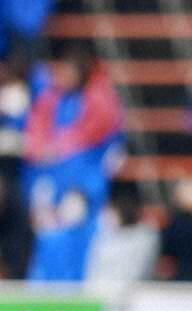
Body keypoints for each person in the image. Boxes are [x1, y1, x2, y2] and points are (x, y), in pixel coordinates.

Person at [22, 41, 123, 282]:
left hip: (82, 186)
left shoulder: (99, 99)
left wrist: (84, 189)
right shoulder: (50, 99)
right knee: (46, 232)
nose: (62, 76)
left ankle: (74, 283)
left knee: (76, 228)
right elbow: (35, 136)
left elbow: (94, 140)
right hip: (50, 181)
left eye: (68, 71)